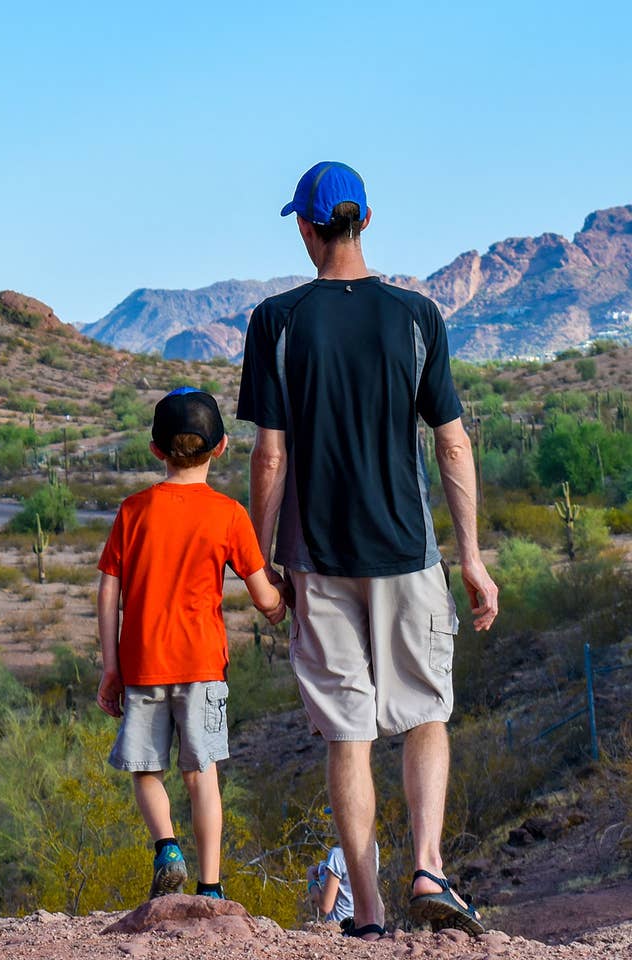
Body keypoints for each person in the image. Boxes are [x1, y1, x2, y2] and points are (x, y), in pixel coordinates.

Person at [237, 161, 499, 940]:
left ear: (305, 228)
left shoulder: (276, 322)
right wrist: (474, 557)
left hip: (317, 561)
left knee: (347, 731)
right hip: (408, 554)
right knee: (424, 714)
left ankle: (371, 912)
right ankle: (427, 865)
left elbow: (270, 457)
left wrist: (260, 562)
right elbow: (451, 447)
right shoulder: (416, 316)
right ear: (368, 220)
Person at [96, 387, 286, 901]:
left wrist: (110, 667)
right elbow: (263, 592)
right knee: (203, 776)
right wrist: (280, 608)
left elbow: (109, 588)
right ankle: (212, 887)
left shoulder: (133, 511)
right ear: (221, 447)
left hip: (142, 664)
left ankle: (167, 850)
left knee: (146, 769)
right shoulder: (228, 515)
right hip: (203, 666)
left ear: (155, 450)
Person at [307, 841, 380, 926]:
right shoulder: (373, 846)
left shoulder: (337, 854)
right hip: (365, 925)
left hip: (341, 926)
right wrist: (327, 868)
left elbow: (325, 906)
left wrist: (311, 880)